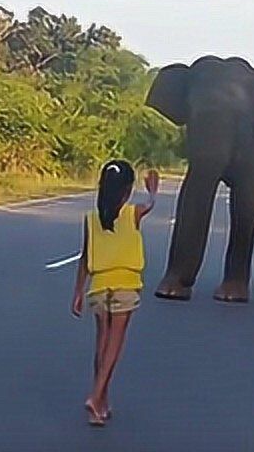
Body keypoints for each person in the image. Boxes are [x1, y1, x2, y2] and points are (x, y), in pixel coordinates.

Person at [71, 160, 159, 427]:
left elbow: (84, 258)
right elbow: (151, 204)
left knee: (102, 343)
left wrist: (78, 292)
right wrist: (153, 190)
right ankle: (96, 395)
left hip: (99, 287)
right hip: (125, 285)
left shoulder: (91, 219)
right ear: (126, 191)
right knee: (115, 346)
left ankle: (101, 405)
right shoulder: (133, 213)